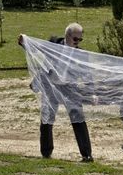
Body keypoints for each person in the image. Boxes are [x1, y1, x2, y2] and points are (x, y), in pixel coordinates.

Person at [18, 23, 93, 162]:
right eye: (76, 39)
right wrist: (24, 42)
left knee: (78, 120)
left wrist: (91, 92)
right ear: (67, 36)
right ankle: (46, 152)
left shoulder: (81, 54)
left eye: (80, 40)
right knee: (47, 118)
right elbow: (36, 48)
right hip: (51, 87)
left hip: (70, 89)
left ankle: (87, 154)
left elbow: (87, 75)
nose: (77, 43)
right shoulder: (53, 44)